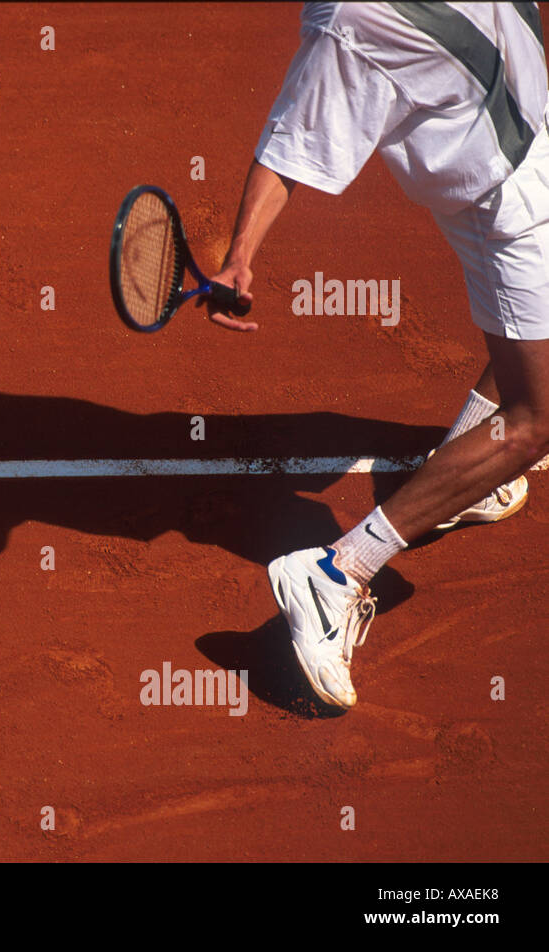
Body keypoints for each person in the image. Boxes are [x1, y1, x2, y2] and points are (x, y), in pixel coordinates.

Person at [204, 2, 549, 708]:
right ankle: (334, 574)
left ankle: (469, 465)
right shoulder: (352, 24)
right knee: (535, 421)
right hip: (504, 204)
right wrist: (242, 253)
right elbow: (293, 140)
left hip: (535, 134)